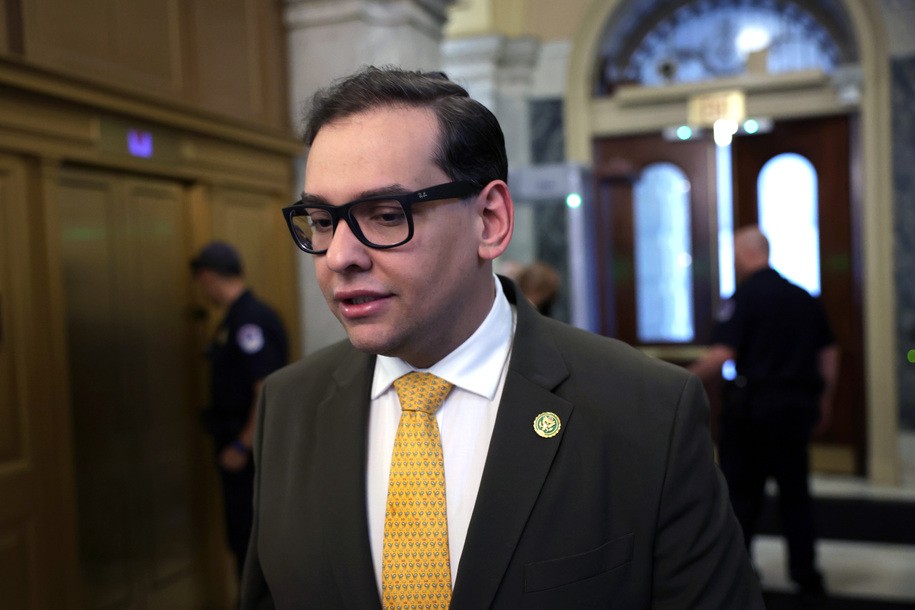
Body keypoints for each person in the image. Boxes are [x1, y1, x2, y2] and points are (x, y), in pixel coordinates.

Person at [240, 66, 762, 608]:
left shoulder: (648, 412)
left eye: (386, 215)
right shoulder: (288, 405)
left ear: (489, 220)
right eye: (323, 221)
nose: (340, 257)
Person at [689, 226, 839, 599]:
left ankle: (742, 573)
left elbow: (723, 354)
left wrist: (677, 382)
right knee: (796, 495)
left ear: (742, 255)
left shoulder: (745, 297)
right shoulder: (802, 297)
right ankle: (806, 575)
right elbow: (829, 353)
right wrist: (825, 400)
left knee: (742, 497)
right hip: (794, 411)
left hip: (752, 414)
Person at [191, 241, 288, 582]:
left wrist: (242, 444)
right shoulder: (240, 316)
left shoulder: (248, 320)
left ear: (207, 277)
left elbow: (264, 387)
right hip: (240, 442)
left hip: (247, 451)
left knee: (248, 538)